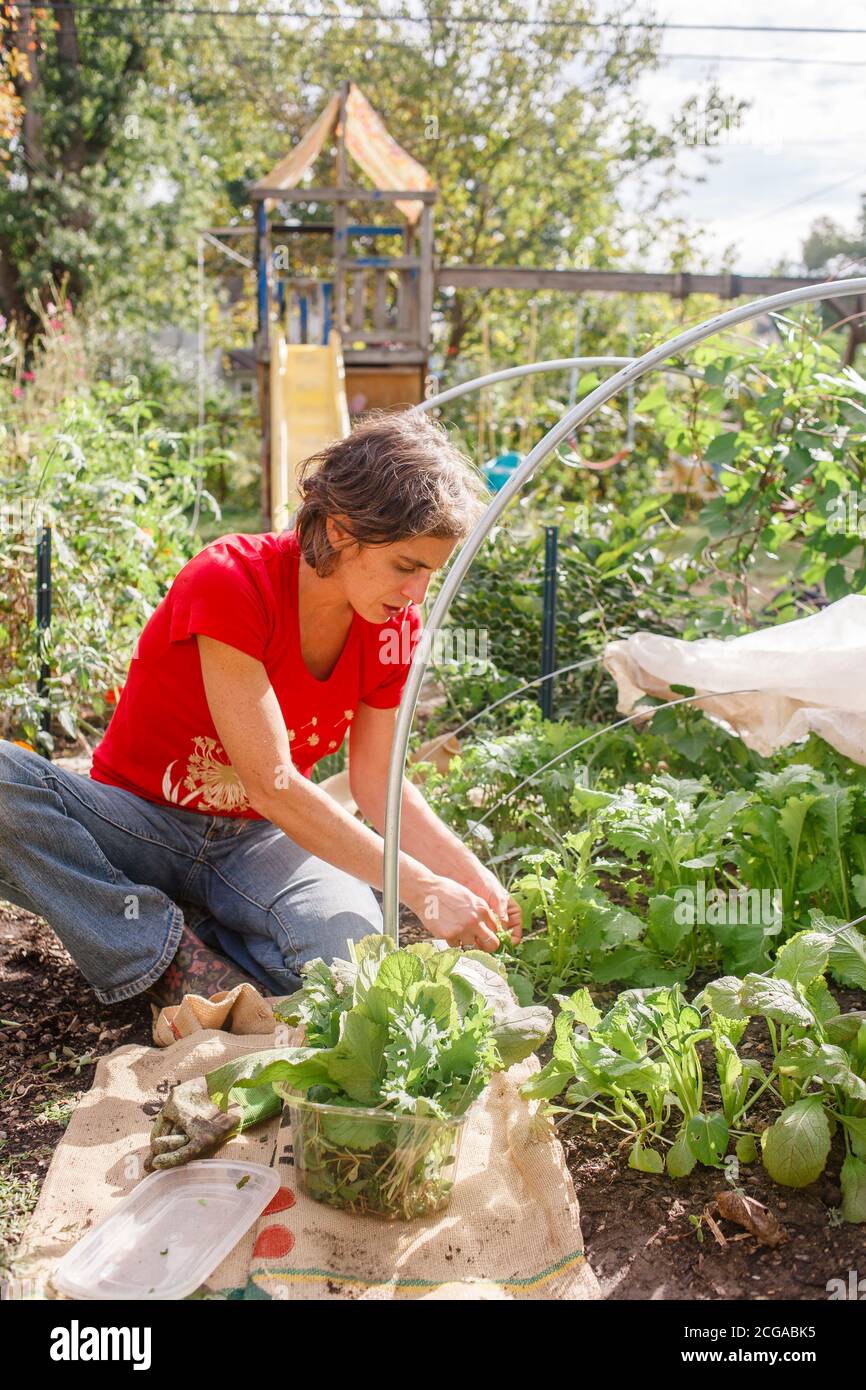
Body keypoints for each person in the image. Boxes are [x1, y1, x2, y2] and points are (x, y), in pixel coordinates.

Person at [0, 411, 522, 1010]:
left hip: (262, 842)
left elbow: (378, 784)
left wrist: (471, 877)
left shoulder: (394, 627)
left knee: (349, 966)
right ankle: (164, 958)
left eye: (431, 571)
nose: (417, 593)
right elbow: (272, 781)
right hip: (139, 825)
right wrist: (423, 888)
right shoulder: (231, 580)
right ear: (342, 528)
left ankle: (202, 934)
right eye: (406, 566)